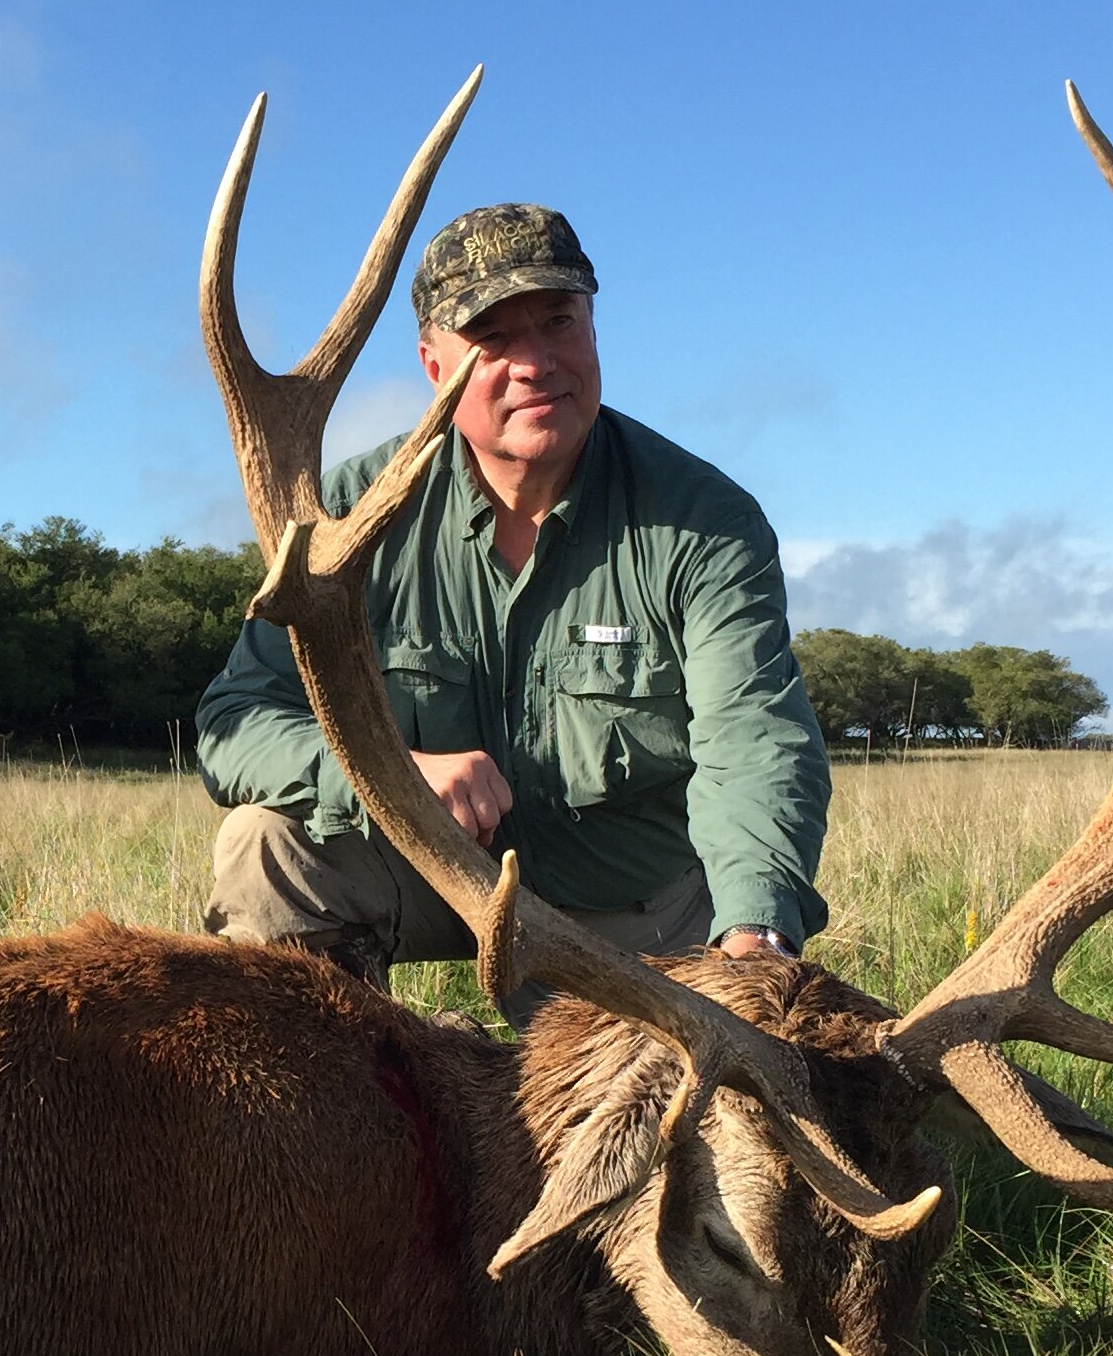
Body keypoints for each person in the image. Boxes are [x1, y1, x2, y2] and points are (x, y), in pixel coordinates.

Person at [197, 203, 830, 1011]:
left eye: (559, 321)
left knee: (676, 1116)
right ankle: (343, 1106)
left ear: (593, 329)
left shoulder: (706, 521)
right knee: (264, 851)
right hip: (424, 873)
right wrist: (389, 777)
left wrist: (756, 938)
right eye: (492, 338)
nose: (536, 362)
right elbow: (235, 722)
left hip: (632, 911)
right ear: (434, 366)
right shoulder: (342, 513)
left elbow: (755, 741)